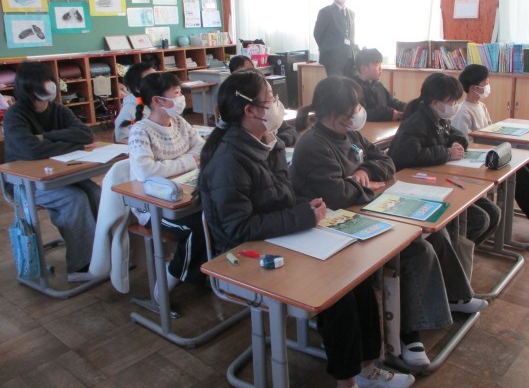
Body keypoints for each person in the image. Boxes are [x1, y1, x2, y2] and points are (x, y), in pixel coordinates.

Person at [199, 71, 413, 388]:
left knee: (357, 276)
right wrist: (302, 215)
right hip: (244, 257)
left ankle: (367, 367)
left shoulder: (266, 144)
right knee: (336, 288)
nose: (277, 103)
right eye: (271, 98)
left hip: (280, 238)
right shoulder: (230, 159)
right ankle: (347, 380)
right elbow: (237, 229)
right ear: (251, 110)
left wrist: (307, 205)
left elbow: (282, 197)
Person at [290, 76, 487, 370]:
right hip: (333, 226)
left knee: (437, 234)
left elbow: (387, 162)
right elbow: (337, 195)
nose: (358, 113)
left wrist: (363, 174)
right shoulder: (313, 145)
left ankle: (457, 296)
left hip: (365, 209)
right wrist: (364, 184)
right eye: (352, 109)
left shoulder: (349, 133)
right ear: (332, 114)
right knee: (417, 250)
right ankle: (409, 334)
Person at [452, 64, 529, 242]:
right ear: (473, 88)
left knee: (527, 166)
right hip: (477, 161)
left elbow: (489, 131)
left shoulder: (481, 106)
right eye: (485, 83)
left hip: (490, 155)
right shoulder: (463, 111)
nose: (488, 86)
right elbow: (465, 144)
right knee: (519, 173)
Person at [3, 62, 100, 282]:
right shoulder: (15, 115)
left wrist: (46, 137)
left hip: (59, 174)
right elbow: (31, 150)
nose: (49, 85)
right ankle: (80, 266)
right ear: (28, 87)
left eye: (49, 80)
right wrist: (73, 144)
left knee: (95, 192)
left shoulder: (58, 110)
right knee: (74, 199)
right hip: (23, 183)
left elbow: (85, 135)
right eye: (43, 82)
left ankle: (101, 254)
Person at [388, 72, 501, 247]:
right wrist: (447, 153)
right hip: (414, 185)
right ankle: (449, 250)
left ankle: (461, 251)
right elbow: (409, 156)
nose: (455, 106)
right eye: (452, 102)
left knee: (493, 212)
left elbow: (456, 134)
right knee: (480, 219)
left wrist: (458, 143)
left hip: (436, 178)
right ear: (435, 103)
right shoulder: (416, 122)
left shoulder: (439, 117)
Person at [128, 72, 206, 300]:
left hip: (184, 196)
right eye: (176, 93)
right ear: (157, 101)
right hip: (153, 206)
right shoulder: (141, 130)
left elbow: (201, 148)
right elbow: (146, 171)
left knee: (216, 215)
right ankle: (171, 275)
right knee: (198, 227)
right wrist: (187, 161)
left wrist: (169, 165)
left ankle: (200, 272)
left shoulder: (180, 122)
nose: (181, 98)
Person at [227, 59, 299, 147]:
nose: (274, 102)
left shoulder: (267, 119)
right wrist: (271, 143)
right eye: (247, 72)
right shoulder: (238, 144)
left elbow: (291, 131)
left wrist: (274, 141)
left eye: (253, 69)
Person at [314, 0, 357, 77]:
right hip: (333, 59)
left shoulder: (351, 13)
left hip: (350, 59)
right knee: (336, 84)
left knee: (350, 84)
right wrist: (328, 50)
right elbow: (317, 34)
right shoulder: (326, 12)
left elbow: (351, 36)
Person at [352, 48, 406, 121]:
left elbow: (391, 102)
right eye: (377, 65)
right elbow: (361, 113)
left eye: (381, 64)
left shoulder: (378, 85)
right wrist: (388, 113)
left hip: (383, 125)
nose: (380, 68)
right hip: (367, 126)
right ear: (364, 68)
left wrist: (408, 107)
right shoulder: (354, 88)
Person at [113, 62, 155, 143]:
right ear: (137, 89)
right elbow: (121, 142)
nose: (160, 83)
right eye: (151, 80)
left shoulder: (163, 103)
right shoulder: (128, 111)